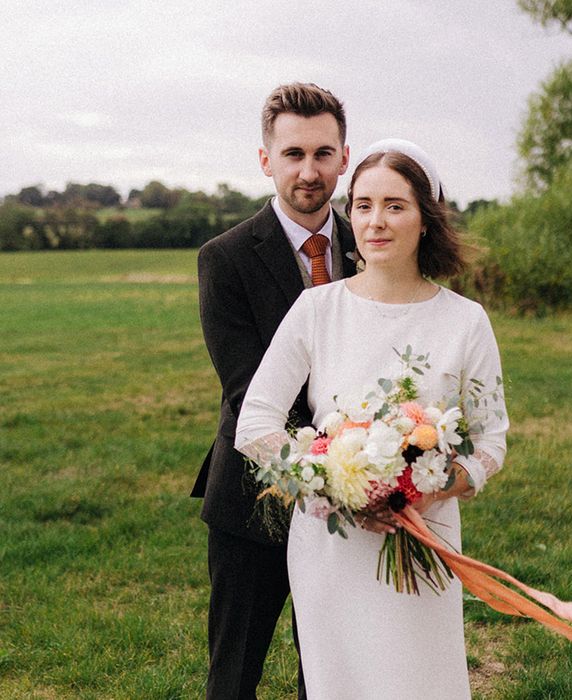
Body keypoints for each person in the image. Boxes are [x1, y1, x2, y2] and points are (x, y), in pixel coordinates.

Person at [235, 139, 509, 699]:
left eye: (395, 205)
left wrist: (425, 491)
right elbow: (255, 424)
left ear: (426, 220)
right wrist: (333, 487)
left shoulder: (465, 321)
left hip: (426, 538)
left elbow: (489, 444)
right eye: (362, 205)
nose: (375, 222)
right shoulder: (317, 309)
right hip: (332, 547)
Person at [191, 82, 356, 700]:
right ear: (267, 159)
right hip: (251, 499)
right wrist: (340, 460)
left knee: (332, 670)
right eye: (293, 154)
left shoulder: (371, 247)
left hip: (356, 503)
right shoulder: (225, 258)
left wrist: (373, 468)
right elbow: (248, 388)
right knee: (234, 675)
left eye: (322, 153)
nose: (308, 172)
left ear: (344, 156)